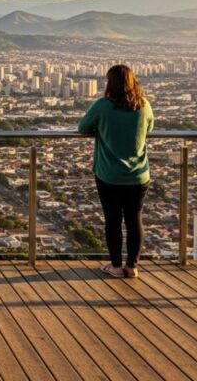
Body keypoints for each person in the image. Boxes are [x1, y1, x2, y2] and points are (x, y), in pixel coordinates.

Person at [78, 64, 153, 278]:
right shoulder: (144, 105)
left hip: (109, 175)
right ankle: (133, 266)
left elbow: (83, 128)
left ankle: (116, 267)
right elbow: (149, 128)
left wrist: (102, 128)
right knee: (134, 218)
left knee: (112, 219)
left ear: (111, 83)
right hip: (138, 175)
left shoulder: (103, 106)